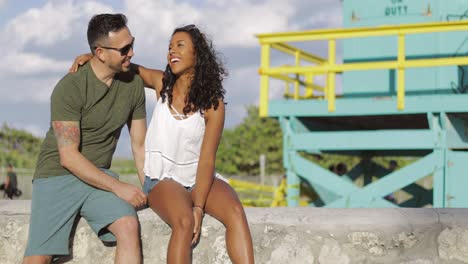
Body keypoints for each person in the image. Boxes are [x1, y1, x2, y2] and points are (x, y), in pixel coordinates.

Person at [72, 24, 255, 263]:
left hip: (197, 176)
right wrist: (97, 60)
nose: (172, 51)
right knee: (184, 221)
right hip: (162, 179)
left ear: (197, 55)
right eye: (170, 47)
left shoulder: (214, 105)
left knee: (235, 212)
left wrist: (199, 206)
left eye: (180, 45)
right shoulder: (162, 84)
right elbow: (133, 69)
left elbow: (207, 159)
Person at [23, 14, 147, 264]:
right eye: (124, 49)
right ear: (100, 52)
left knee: (128, 226)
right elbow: (68, 157)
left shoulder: (133, 84)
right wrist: (119, 187)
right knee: (38, 258)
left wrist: (147, 190)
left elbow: (139, 144)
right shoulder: (70, 88)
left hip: (97, 178)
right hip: (57, 175)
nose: (131, 53)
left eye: (132, 44)